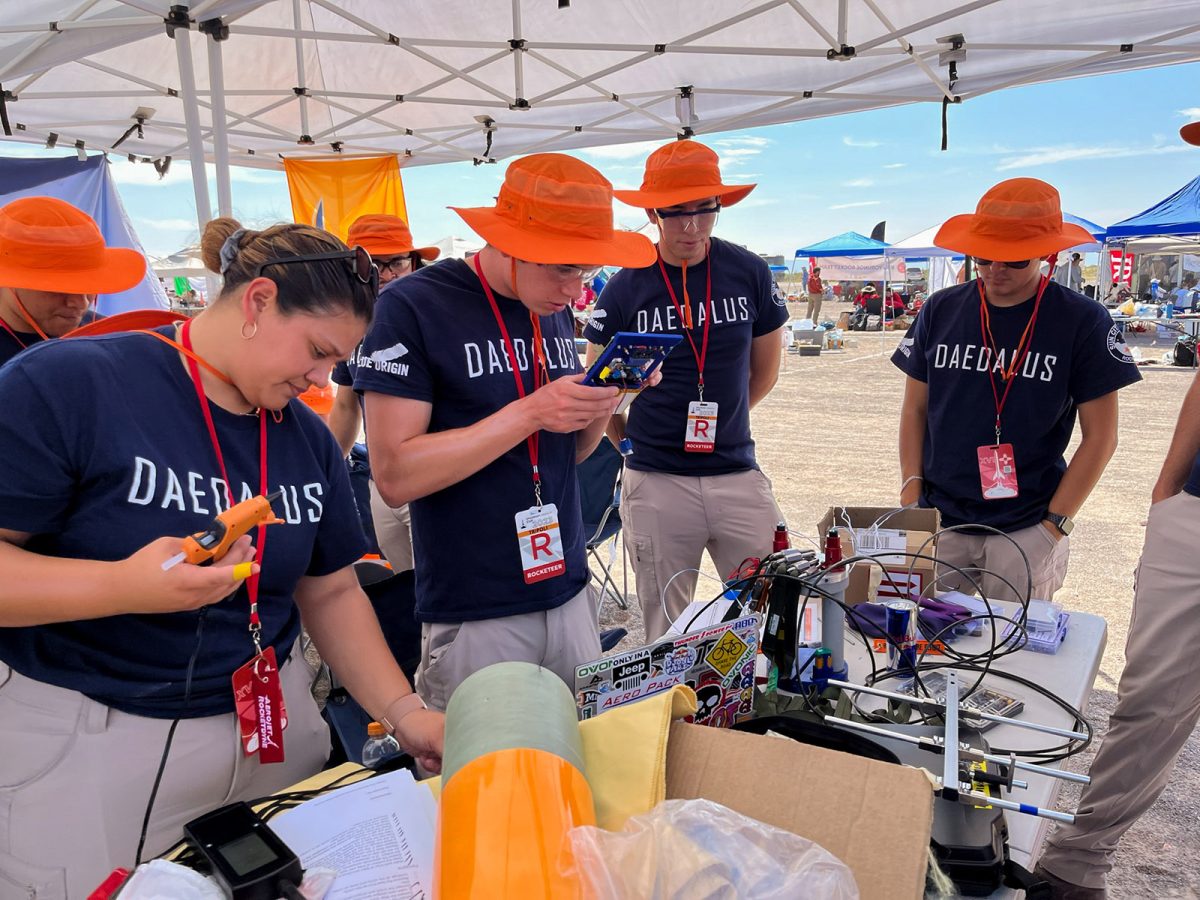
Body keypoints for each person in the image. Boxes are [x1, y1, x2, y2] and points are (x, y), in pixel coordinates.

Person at [0, 217, 443, 896]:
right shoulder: (70, 383)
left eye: (337, 362)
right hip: (96, 737)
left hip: (269, 733)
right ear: (259, 301)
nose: (321, 377)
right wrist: (120, 587)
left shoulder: (307, 438)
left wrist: (405, 711)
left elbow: (329, 591)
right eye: (318, 351)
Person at [355, 154, 656, 710]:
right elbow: (394, 474)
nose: (575, 289)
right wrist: (530, 412)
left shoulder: (552, 306)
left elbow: (573, 451)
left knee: (576, 771)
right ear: (510, 242)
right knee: (484, 783)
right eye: (564, 268)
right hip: (476, 605)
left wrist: (607, 397)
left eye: (586, 271)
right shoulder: (412, 305)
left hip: (567, 586)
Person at [1032, 116, 1200, 900]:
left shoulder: (1080, 318)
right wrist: (1169, 493)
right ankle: (1076, 864)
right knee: (1150, 703)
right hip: (1195, 515)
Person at [893, 178, 1141, 606]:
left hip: (1025, 525)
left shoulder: (1082, 320)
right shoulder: (941, 308)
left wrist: (1054, 525)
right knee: (923, 646)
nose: (995, 271)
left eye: (1014, 261)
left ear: (1048, 255)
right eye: (984, 258)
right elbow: (914, 410)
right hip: (940, 517)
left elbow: (1102, 436)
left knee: (1010, 657)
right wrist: (911, 493)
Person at [583, 139, 788, 640]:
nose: (691, 226)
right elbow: (599, 383)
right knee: (666, 628)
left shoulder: (748, 271)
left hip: (736, 471)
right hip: (656, 478)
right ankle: (673, 716)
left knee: (774, 611)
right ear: (653, 214)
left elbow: (764, 371)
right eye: (676, 213)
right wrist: (625, 443)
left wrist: (726, 422)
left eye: (704, 210)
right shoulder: (628, 282)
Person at [329, 214, 440, 573]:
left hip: (433, 485)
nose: (387, 274)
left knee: (442, 592)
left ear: (415, 261)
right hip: (383, 486)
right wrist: (329, 475)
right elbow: (346, 406)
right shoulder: (356, 324)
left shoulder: (436, 319)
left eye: (396, 262)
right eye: (374, 265)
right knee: (407, 593)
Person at [0, 196, 142, 368]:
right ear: (8, 281)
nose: (81, 303)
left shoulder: (109, 337)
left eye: (90, 285)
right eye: (59, 287)